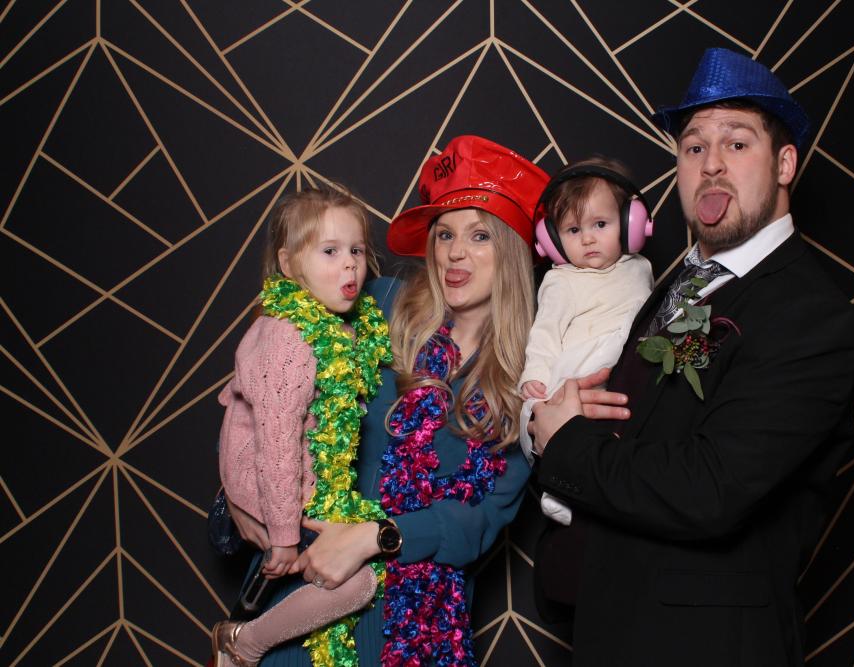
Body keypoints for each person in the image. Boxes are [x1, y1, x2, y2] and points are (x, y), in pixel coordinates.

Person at [531, 47, 854, 665]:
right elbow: (649, 420)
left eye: (736, 143)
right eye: (693, 147)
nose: (711, 165)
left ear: (785, 163)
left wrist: (565, 442)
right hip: (609, 629)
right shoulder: (677, 283)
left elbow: (712, 487)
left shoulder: (810, 314)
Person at [227, 135, 547, 666]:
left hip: (412, 627)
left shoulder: (531, 376)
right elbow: (269, 391)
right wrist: (237, 498)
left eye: (479, 235)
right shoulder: (377, 307)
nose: (455, 253)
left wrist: (375, 538)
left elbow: (484, 519)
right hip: (301, 594)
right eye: (444, 234)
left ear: (512, 250)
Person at [212, 185, 393, 666]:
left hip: (294, 479)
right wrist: (284, 537)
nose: (349, 264)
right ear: (289, 264)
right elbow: (276, 446)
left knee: (356, 554)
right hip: (263, 483)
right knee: (359, 582)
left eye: (356, 250)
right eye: (330, 251)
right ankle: (241, 643)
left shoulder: (343, 326)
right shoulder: (290, 339)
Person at [518, 157, 654, 526]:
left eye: (600, 224)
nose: (588, 239)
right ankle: (559, 489)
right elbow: (545, 332)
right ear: (552, 241)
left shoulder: (639, 267)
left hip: (627, 359)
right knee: (574, 428)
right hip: (581, 366)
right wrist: (536, 375)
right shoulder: (562, 280)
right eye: (573, 230)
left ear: (631, 224)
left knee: (621, 436)